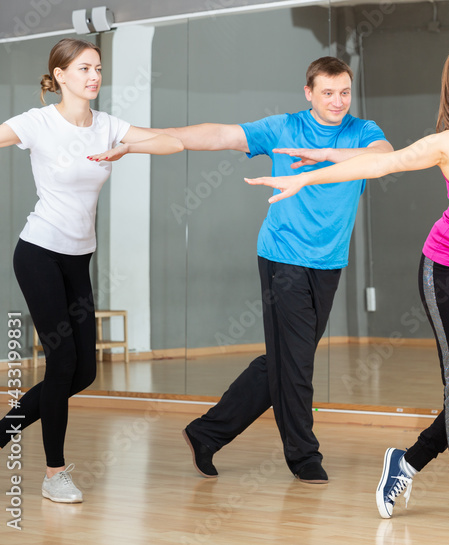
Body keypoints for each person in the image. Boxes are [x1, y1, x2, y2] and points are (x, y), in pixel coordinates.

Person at [246, 43, 449, 527]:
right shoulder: (448, 143)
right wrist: (307, 180)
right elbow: (380, 164)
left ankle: (407, 461)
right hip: (444, 268)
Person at [153, 57, 393, 485]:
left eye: (344, 92)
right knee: (297, 362)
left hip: (328, 262)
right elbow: (223, 135)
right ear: (308, 93)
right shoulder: (285, 127)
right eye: (327, 93)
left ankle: (207, 432)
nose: (337, 101)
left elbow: (385, 157)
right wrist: (159, 136)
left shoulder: (363, 131)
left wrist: (324, 154)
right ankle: (304, 456)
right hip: (283, 257)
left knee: (284, 359)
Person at [0, 38, 183, 503]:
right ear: (59, 75)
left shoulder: (107, 126)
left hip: (79, 259)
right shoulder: (36, 122)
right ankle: (54, 473)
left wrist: (127, 149)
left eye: (97, 68)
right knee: (61, 364)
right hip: (38, 252)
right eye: (83, 69)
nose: (94, 76)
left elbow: (171, 142)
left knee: (84, 373)